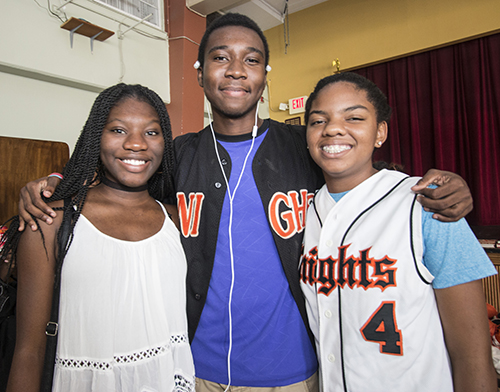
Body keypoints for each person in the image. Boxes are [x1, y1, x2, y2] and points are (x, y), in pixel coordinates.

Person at [17, 14, 474, 391]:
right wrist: (54, 180)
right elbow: (124, 174)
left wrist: (444, 185)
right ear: (200, 74)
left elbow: (356, 168)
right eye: (220, 58)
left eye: (251, 60)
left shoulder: (304, 144)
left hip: (297, 373)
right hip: (196, 372)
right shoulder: (181, 154)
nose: (236, 70)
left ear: (263, 76)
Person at [300, 72, 497, 391]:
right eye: (318, 120)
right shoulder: (304, 210)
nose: (333, 128)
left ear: (380, 132)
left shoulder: (429, 203)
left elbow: (472, 357)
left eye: (354, 117)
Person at [2, 84, 195, 392]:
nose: (136, 144)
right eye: (118, 130)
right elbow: (29, 351)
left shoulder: (180, 218)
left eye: (151, 132)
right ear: (96, 138)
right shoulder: (52, 222)